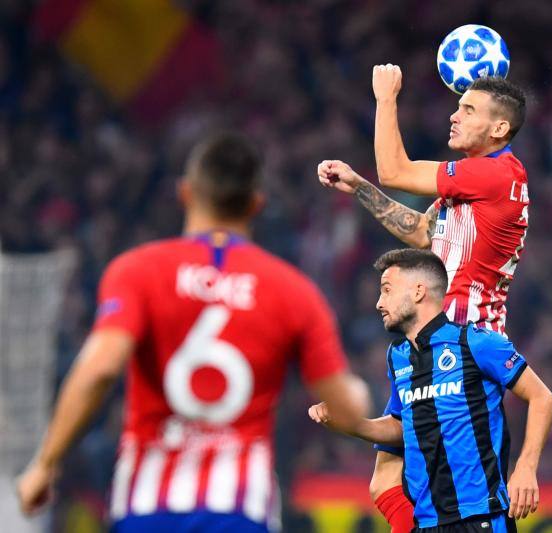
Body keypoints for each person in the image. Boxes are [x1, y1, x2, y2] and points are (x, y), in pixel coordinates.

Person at [16, 133, 370, 532]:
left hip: (147, 507)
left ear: (185, 193)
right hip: (239, 510)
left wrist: (45, 464)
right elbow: (346, 410)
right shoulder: (293, 291)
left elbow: (100, 369)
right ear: (256, 205)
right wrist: (356, 394)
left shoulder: (137, 271)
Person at [317, 66, 529, 531]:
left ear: (499, 128)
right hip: (430, 338)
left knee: (457, 491)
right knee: (385, 480)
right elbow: (420, 231)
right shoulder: (471, 189)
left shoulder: (494, 174)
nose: (454, 116)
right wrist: (359, 187)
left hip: (465, 343)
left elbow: (395, 170)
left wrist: (385, 97)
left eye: (468, 110)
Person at [308, 249, 552, 532]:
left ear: (418, 292)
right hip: (427, 523)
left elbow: (542, 397)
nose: (379, 303)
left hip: (481, 517)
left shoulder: (475, 343)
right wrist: (351, 423)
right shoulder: (398, 357)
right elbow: (402, 426)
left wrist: (526, 467)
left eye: (387, 290)